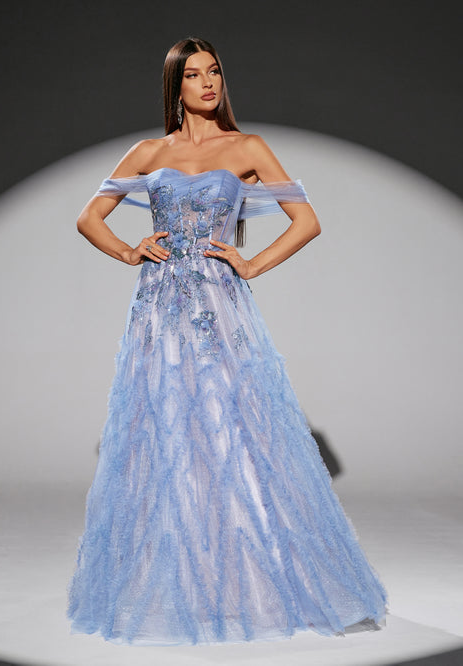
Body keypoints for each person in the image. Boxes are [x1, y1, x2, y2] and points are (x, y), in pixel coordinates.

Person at [67, 37, 388, 646]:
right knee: (166, 427)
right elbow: (89, 218)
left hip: (219, 308)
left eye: (214, 72)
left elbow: (307, 221)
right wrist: (130, 251)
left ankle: (247, 585)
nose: (208, 83)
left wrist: (252, 263)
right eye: (194, 75)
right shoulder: (149, 152)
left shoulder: (247, 147)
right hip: (159, 310)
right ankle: (174, 585)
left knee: (227, 426)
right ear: (176, 86)